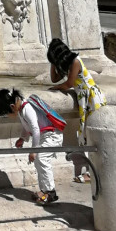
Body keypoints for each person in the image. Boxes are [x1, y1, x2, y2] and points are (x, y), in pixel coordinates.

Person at [0, 87, 65, 205]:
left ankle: (51, 192)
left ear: (12, 107)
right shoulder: (22, 109)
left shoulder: (27, 109)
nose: (8, 116)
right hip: (45, 136)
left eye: (7, 114)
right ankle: (44, 190)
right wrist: (23, 138)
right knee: (39, 161)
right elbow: (27, 127)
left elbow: (35, 130)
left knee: (41, 159)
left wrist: (33, 151)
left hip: (52, 135)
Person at [46, 37, 104, 184]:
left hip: (91, 98)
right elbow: (54, 79)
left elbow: (68, 84)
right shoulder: (67, 63)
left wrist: (56, 88)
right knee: (86, 134)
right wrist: (53, 63)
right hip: (84, 99)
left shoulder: (75, 61)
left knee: (91, 135)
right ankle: (91, 171)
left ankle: (93, 173)